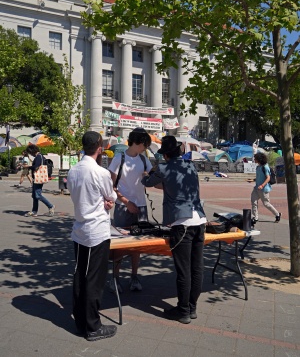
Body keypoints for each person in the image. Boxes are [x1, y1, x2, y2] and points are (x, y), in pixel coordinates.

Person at [141, 136, 207, 324]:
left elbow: (148, 183)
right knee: (197, 268)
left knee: (183, 270)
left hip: (182, 223)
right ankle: (192, 308)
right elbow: (174, 184)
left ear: (166, 155)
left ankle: (183, 310)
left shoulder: (163, 168)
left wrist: (144, 175)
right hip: (200, 219)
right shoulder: (190, 166)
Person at [67, 131, 117, 341]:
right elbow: (111, 194)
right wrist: (107, 201)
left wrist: (103, 201)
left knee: (80, 276)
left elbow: (80, 195)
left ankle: (82, 322)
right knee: (94, 280)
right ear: (99, 148)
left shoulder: (73, 170)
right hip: (96, 231)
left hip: (80, 229)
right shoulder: (100, 172)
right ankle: (92, 326)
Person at [108, 127, 152, 292]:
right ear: (139, 143)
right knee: (120, 244)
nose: (146, 148)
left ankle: (134, 276)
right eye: (145, 145)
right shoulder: (120, 158)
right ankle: (115, 278)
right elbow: (111, 186)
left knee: (138, 244)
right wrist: (126, 202)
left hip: (141, 206)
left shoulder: (143, 159)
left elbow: (150, 176)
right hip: (123, 207)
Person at [248, 152, 281, 224]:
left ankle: (277, 214)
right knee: (254, 202)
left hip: (264, 189)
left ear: (259, 159)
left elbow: (268, 178)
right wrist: (253, 180)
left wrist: (262, 185)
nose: (254, 159)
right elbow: (259, 177)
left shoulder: (265, 167)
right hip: (256, 188)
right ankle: (255, 217)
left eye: (255, 158)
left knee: (266, 204)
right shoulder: (258, 167)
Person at [25, 145, 55, 217]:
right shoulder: (39, 156)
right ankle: (34, 211)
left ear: (32, 151)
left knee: (37, 195)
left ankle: (50, 206)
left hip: (38, 178)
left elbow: (36, 167)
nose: (30, 154)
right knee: (34, 196)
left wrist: (28, 167)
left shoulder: (39, 156)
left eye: (30, 152)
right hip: (36, 178)